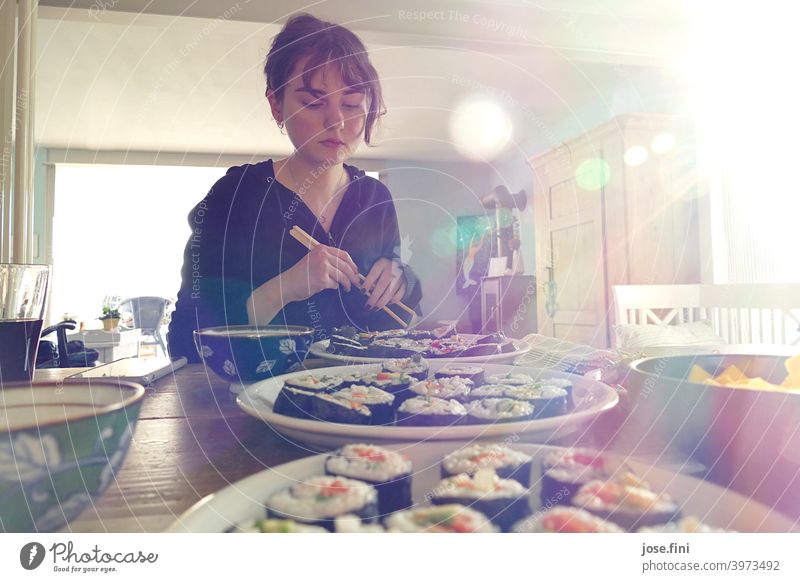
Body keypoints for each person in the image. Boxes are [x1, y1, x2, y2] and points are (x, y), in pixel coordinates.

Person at [168, 13, 422, 362]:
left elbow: (395, 321)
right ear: (277, 105)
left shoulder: (374, 198)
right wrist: (286, 287)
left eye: (351, 104)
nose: (336, 122)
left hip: (359, 400)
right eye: (314, 103)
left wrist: (403, 280)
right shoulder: (235, 196)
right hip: (255, 402)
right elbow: (189, 337)